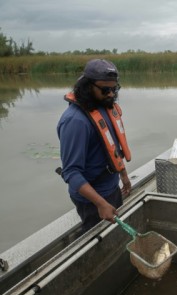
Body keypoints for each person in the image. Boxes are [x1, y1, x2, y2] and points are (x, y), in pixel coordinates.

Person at [57, 59, 132, 233]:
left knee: (115, 234)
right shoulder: (75, 122)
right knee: (99, 240)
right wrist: (101, 204)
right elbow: (71, 172)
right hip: (93, 201)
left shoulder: (104, 107)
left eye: (115, 89)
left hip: (112, 187)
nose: (111, 94)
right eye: (105, 90)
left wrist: (124, 175)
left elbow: (113, 148)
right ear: (87, 86)